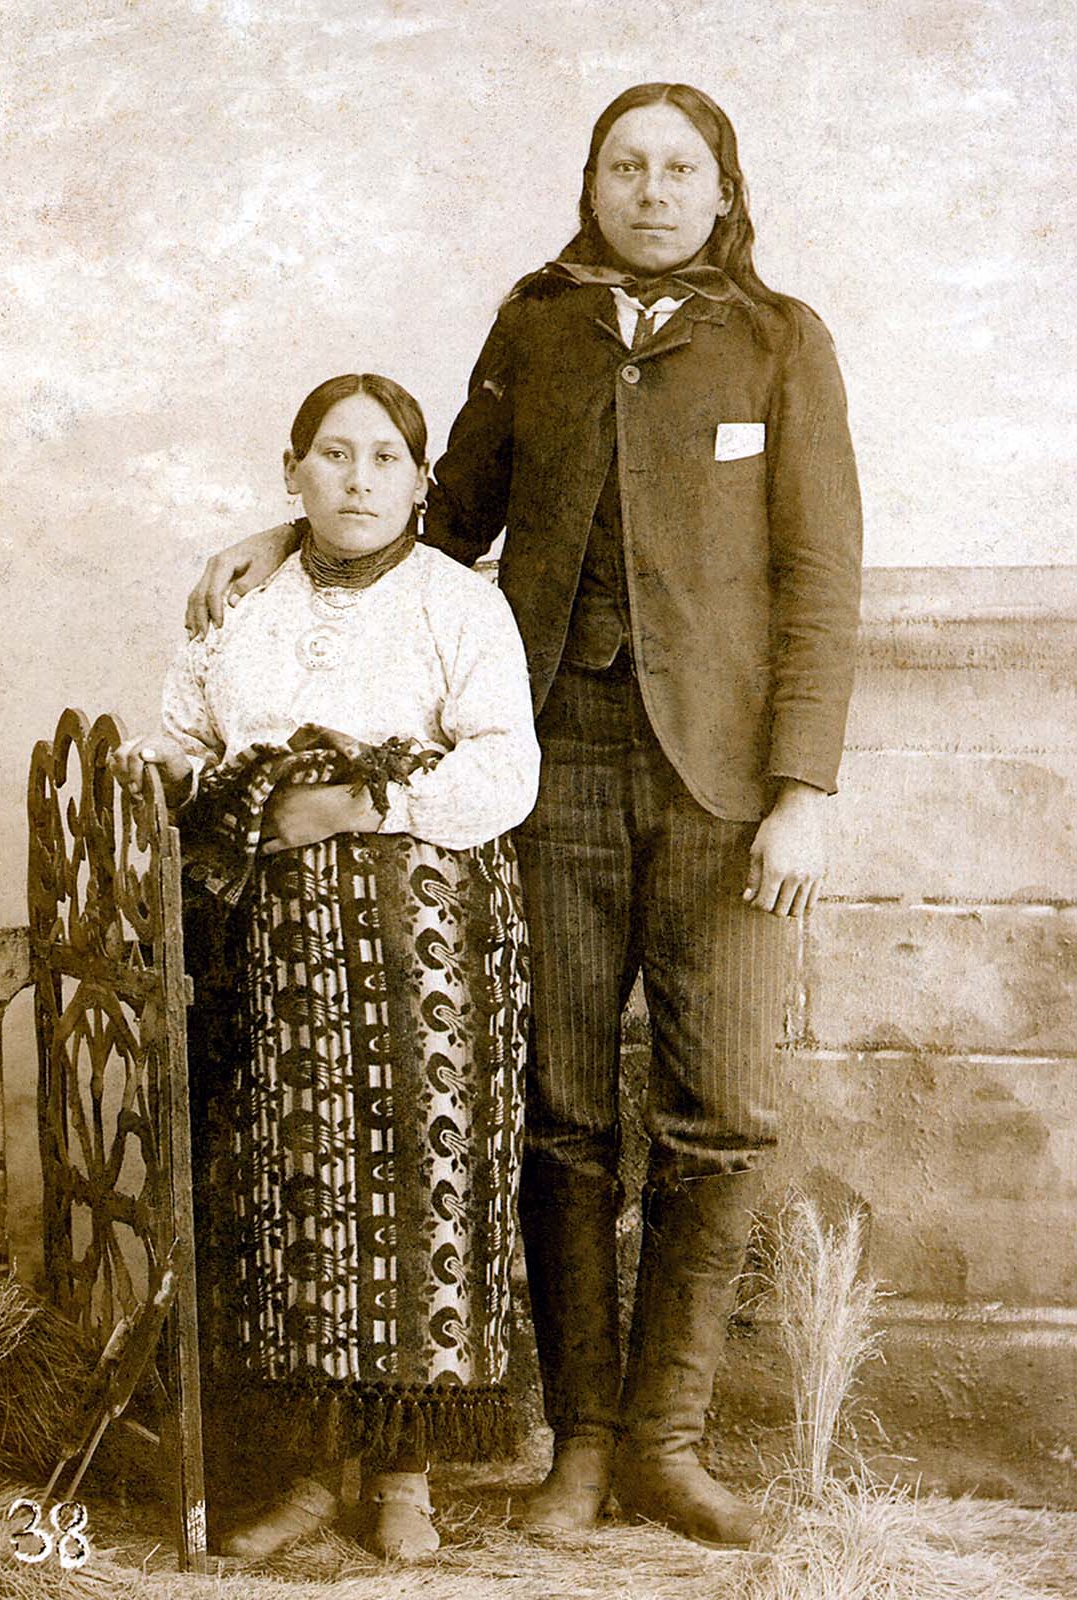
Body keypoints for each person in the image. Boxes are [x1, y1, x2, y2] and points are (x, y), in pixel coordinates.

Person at [185, 82, 863, 1550]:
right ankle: (579, 1443)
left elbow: (820, 577)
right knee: (557, 1121)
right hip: (550, 778)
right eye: (623, 165)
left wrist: (799, 790)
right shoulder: (537, 321)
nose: (649, 190)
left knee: (723, 1117)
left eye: (679, 169)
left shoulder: (776, 339)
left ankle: (667, 1449)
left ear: (720, 187)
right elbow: (444, 503)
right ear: (590, 183)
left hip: (724, 790)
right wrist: (275, 536)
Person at [111, 373, 540, 1562]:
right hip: (267, 951)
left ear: (419, 478)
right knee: (283, 1190)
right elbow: (180, 742)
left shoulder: (459, 607)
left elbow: (506, 771)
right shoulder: (234, 606)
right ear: (290, 470)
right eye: (335, 455)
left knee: (415, 1185)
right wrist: (203, 785)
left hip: (426, 959)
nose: (359, 480)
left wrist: (355, 799)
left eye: (386, 458)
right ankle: (304, 1473)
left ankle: (402, 1476)